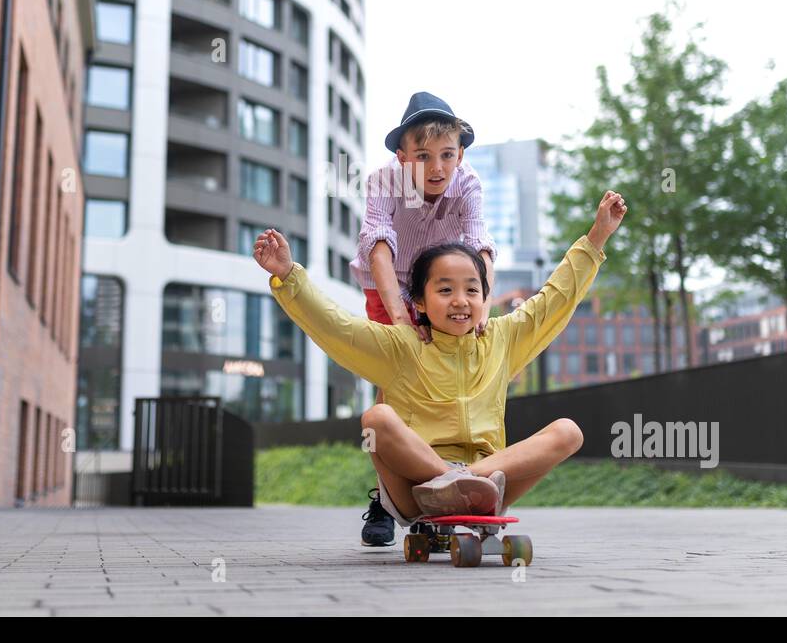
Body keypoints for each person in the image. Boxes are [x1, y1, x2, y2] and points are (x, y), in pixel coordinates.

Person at [254, 189, 627, 529]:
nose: (460, 300)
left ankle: (467, 483)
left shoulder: (503, 339)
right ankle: (449, 482)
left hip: (488, 482)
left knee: (568, 432)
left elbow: (555, 299)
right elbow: (336, 327)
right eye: (445, 290)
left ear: (484, 298)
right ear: (419, 301)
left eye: (471, 289)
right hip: (416, 489)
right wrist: (288, 276)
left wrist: (597, 237)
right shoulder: (400, 346)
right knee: (377, 418)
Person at [349, 92, 498, 546]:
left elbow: (480, 248)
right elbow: (378, 245)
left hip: (440, 288)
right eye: (423, 157)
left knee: (441, 383)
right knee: (393, 389)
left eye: (447, 155)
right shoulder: (382, 182)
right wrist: (398, 316)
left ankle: (446, 480)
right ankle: (384, 496)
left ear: (460, 154)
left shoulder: (467, 183)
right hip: (388, 284)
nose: (436, 168)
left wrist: (482, 309)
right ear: (402, 155)